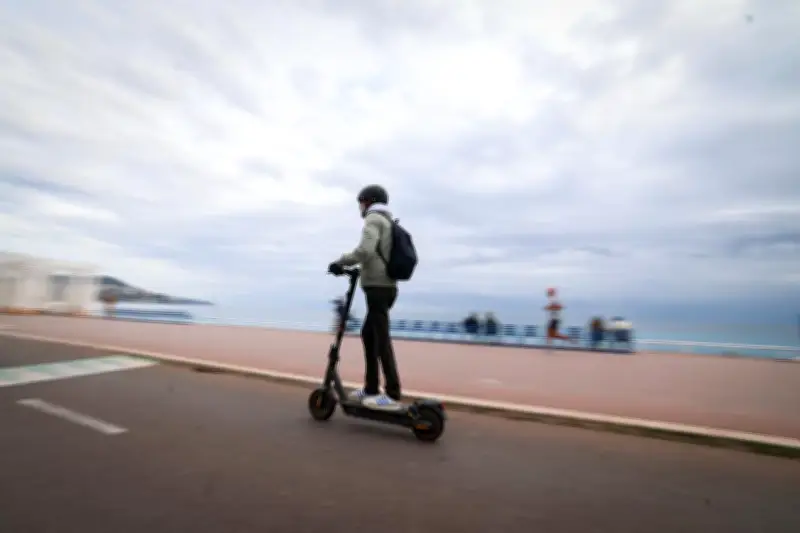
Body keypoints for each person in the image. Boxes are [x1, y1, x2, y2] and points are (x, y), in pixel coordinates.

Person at [328, 185, 402, 411]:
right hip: (383, 287)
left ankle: (392, 393)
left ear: (369, 201)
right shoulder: (386, 221)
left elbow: (365, 250)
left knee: (380, 337)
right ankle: (371, 388)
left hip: (379, 288)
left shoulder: (373, 219)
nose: (360, 207)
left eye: (361, 202)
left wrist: (341, 262)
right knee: (369, 335)